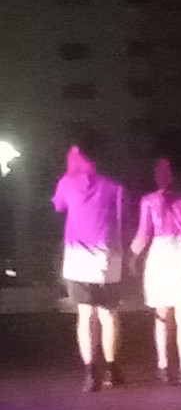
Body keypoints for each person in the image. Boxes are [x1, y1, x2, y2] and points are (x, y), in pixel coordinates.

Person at [52, 144, 128, 392]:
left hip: (78, 260)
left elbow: (58, 206)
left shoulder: (66, 183)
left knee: (85, 316)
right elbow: (122, 222)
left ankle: (90, 373)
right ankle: (111, 369)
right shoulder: (114, 187)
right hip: (108, 260)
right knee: (108, 316)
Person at [130, 158, 181, 385]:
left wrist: (132, 258)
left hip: (159, 257)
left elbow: (143, 235)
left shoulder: (149, 201)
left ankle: (163, 366)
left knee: (161, 316)